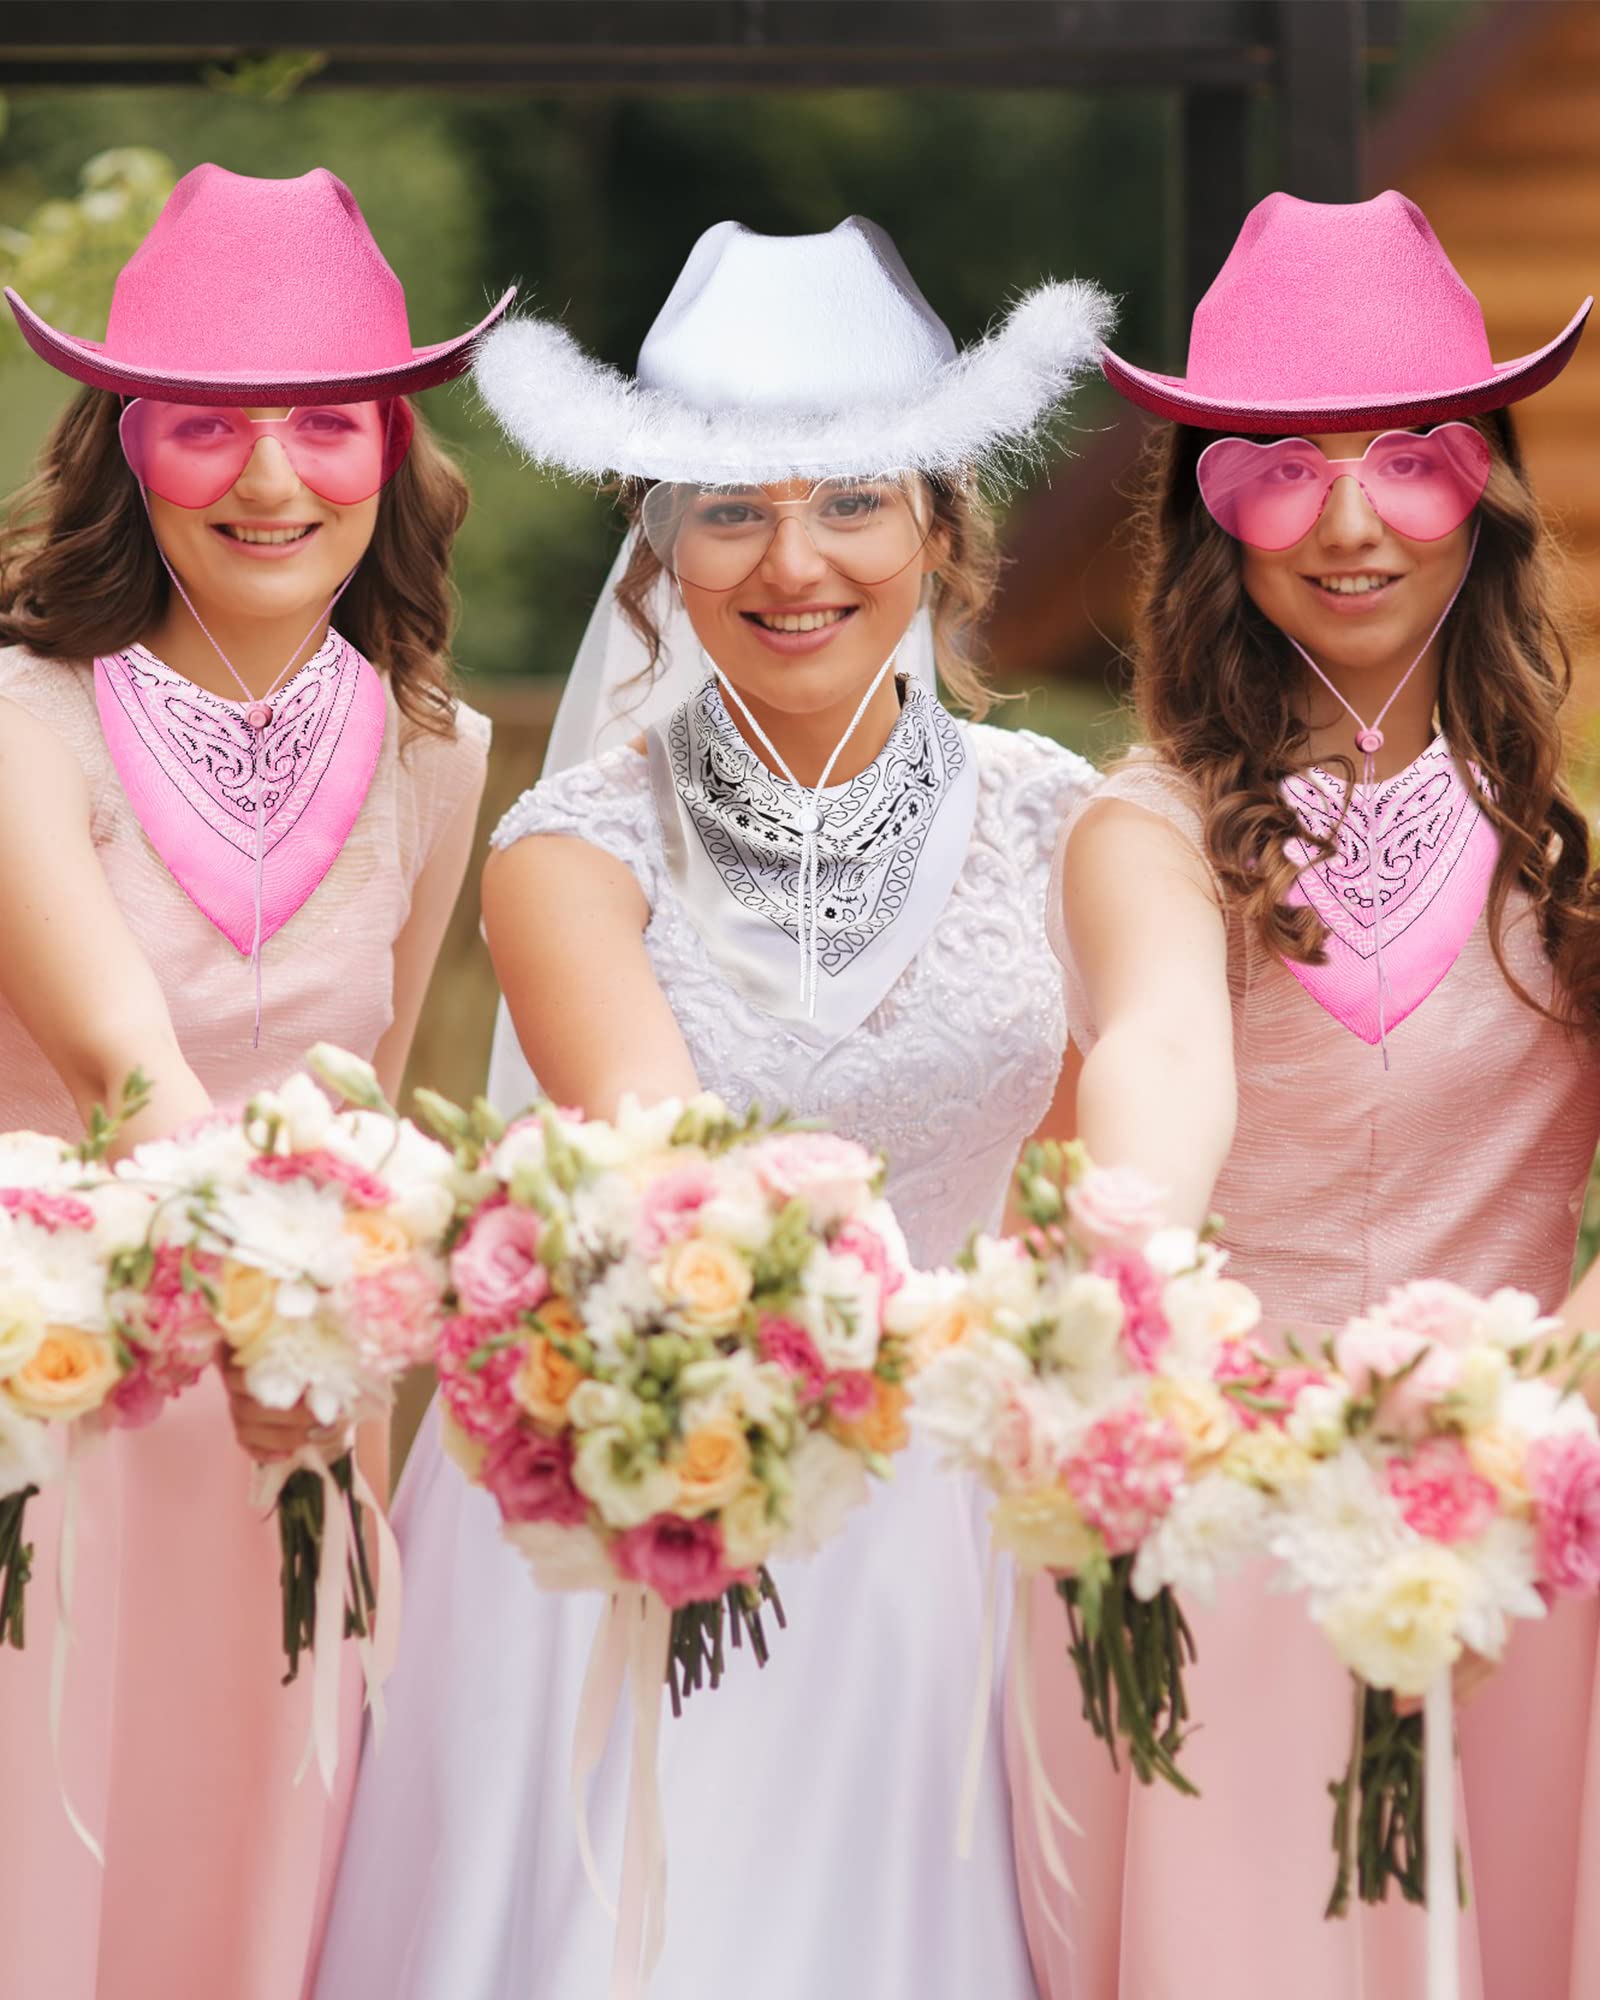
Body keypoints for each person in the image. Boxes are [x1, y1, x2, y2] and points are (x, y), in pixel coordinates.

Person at [314, 216, 1110, 2000]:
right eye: (729, 509)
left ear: (941, 522)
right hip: (666, 1461)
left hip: (974, 1514)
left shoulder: (1067, 822)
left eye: (851, 503)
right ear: (658, 552)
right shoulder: (572, 850)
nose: (793, 559)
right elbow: (675, 1174)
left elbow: (1086, 1184)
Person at [1030, 188, 1600, 2000]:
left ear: (1488, 489)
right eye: (1282, 469)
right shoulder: (1149, 822)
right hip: (1237, 1500)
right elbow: (1163, 1058)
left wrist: (1555, 1383)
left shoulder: (1573, 847)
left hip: (1531, 1521)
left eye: (1407, 464)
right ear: (1210, 509)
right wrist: (1138, 1280)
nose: (1348, 526)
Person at [0, 164, 507, 2000]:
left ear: (397, 447)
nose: (275, 482)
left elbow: (366, 1097)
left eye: (327, 425)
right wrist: (297, 1298)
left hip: (299, 1423)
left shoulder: (434, 756)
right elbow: (123, 1071)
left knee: (270, 1888)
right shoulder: (20, 719)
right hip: (53, 1413)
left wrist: (346, 1354)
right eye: (211, 428)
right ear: (128, 448)